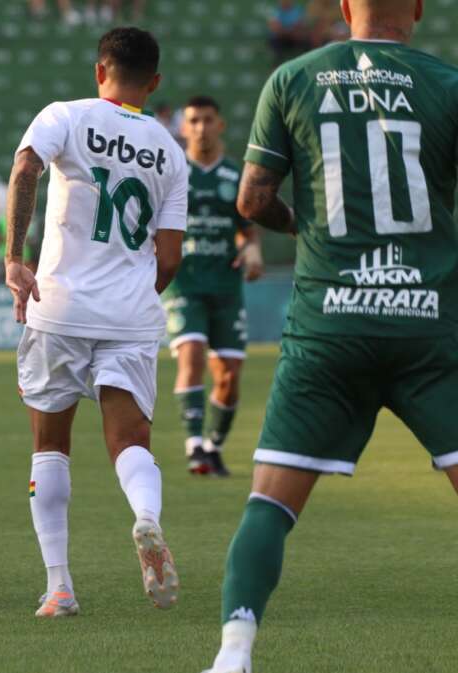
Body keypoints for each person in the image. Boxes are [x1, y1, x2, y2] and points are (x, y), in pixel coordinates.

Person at [203, 1, 458, 671]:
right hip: (430, 322)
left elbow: (253, 201)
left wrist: (308, 227)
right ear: (420, 9)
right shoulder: (449, 84)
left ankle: (234, 651)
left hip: (329, 323)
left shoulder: (293, 78)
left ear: (345, 9)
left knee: (270, 502)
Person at [6, 27, 188, 617]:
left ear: (99, 71)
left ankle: (59, 586)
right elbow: (169, 258)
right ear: (154, 83)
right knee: (129, 441)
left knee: (50, 445)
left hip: (59, 308)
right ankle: (147, 518)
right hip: (131, 314)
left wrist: (15, 258)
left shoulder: (67, 115)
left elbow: (26, 169)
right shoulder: (170, 149)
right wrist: (133, 292)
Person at [165, 95, 263, 478]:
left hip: (225, 286)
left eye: (208, 119)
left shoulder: (235, 177)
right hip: (184, 285)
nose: (201, 127)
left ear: (220, 125)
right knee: (191, 356)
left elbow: (247, 232)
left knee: (229, 376)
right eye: (194, 120)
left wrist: (252, 251)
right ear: (184, 127)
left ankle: (214, 446)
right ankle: (194, 447)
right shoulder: (172, 174)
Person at [267, 0, 308, 65]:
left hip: (293, 38)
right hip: (279, 39)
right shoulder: (275, 12)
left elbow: (300, 27)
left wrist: (285, 31)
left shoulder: (298, 10)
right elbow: (275, 28)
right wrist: (289, 31)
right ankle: (276, 66)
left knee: (305, 41)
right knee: (276, 44)